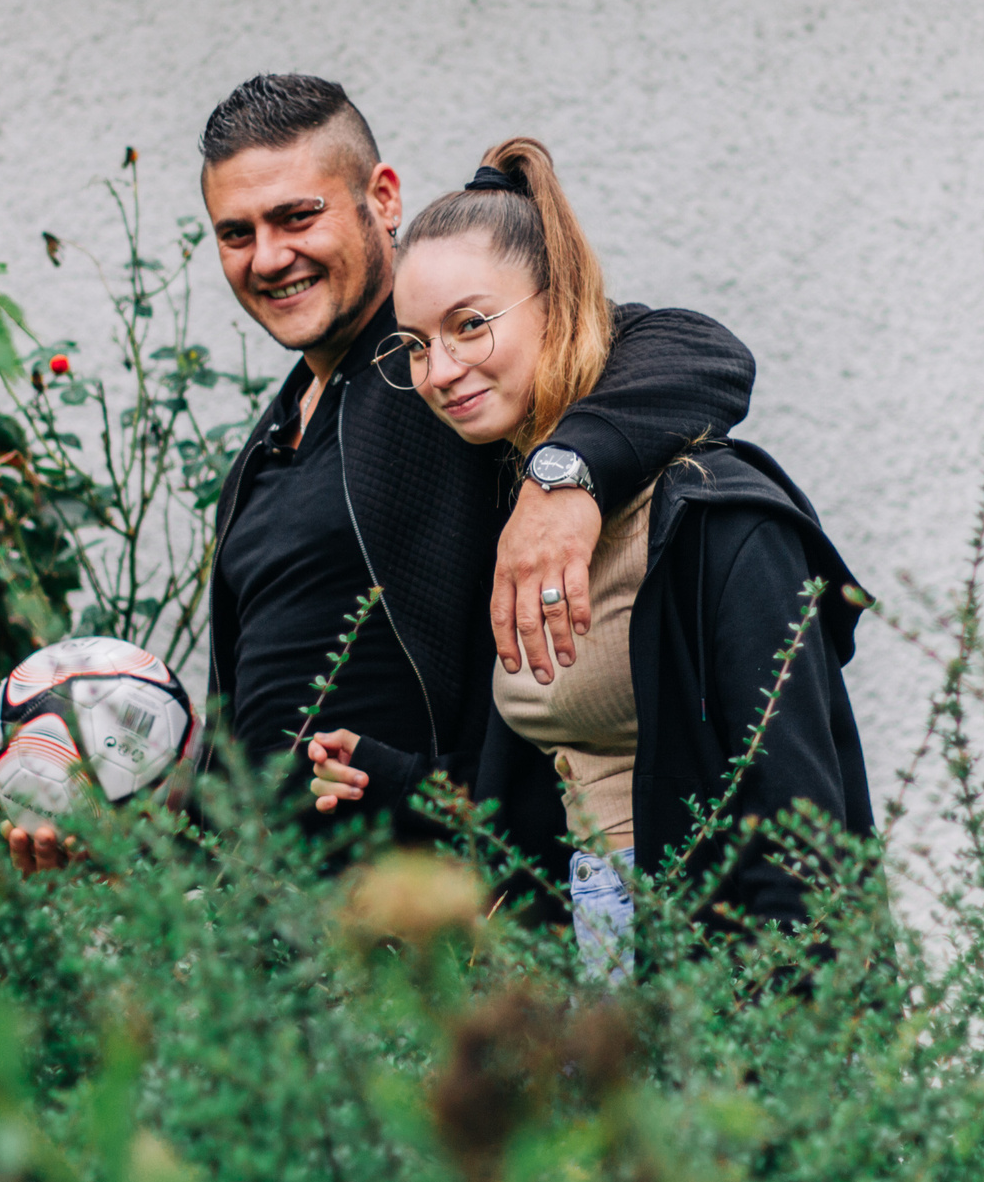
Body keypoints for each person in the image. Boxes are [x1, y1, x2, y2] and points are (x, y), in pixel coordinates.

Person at [5, 77, 756, 872]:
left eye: (298, 216)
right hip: (290, 944)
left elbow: (701, 351)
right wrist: (139, 818)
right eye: (237, 232)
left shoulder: (440, 381)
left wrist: (560, 480)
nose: (268, 256)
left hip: (449, 926)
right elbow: (261, 750)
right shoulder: (265, 454)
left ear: (383, 198)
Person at [305, 137, 870, 976]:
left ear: (557, 301)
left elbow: (799, 838)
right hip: (589, 959)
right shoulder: (504, 501)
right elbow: (553, 794)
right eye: (416, 344)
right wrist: (396, 782)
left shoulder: (715, 524)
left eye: (469, 324)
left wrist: (787, 1055)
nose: (439, 370)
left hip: (711, 975)